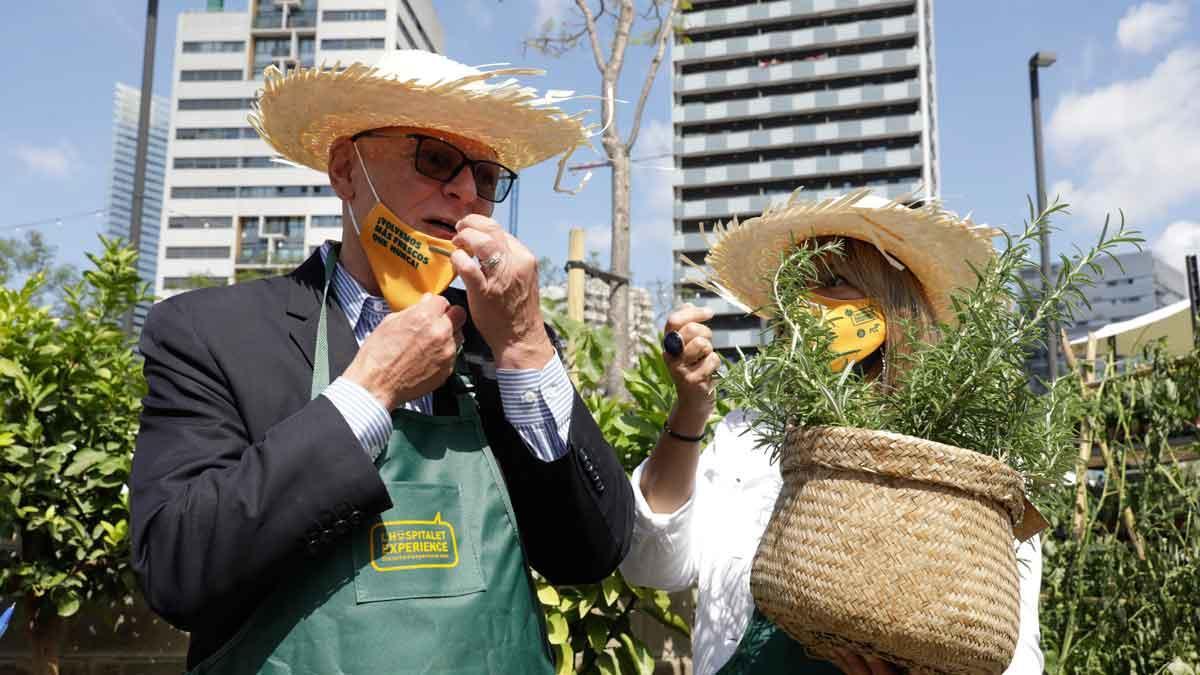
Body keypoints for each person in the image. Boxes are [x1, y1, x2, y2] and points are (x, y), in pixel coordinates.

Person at [130, 50, 633, 674]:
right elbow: (176, 567)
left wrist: (527, 346)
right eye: (435, 158)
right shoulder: (211, 332)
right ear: (347, 170)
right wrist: (369, 392)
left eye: (484, 174)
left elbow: (591, 551)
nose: (465, 191)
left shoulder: (504, 343)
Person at [621, 192, 1045, 675]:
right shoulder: (749, 434)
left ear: (893, 302)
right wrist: (690, 409)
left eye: (835, 282)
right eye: (799, 285)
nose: (808, 305)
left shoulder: (969, 457)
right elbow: (650, 565)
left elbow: (1013, 652)